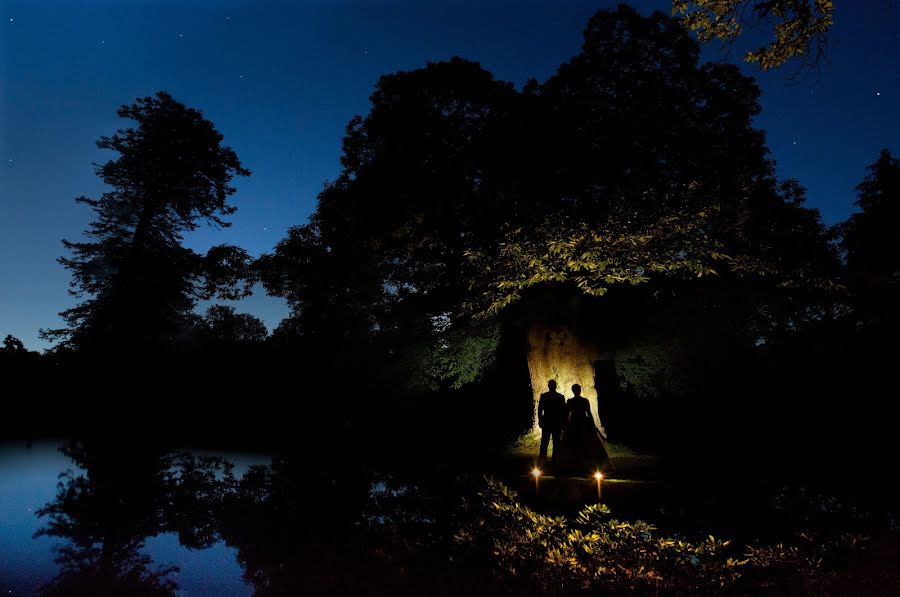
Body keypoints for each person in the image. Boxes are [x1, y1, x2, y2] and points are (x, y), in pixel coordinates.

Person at [559, 384, 610, 474]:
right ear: (579, 390)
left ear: (573, 391)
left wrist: (566, 425)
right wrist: (592, 424)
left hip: (574, 423)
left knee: (575, 444)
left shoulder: (570, 401)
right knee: (584, 443)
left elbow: (567, 415)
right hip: (582, 423)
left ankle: (575, 464)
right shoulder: (584, 401)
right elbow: (589, 414)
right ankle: (584, 464)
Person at [537, 379, 566, 463]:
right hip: (548, 422)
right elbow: (540, 409)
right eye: (551, 384)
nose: (552, 386)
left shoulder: (560, 397)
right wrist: (540, 420)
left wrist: (563, 423)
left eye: (552, 384)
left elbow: (563, 411)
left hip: (555, 423)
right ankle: (543, 460)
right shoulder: (545, 396)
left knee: (555, 442)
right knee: (545, 442)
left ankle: (554, 460)